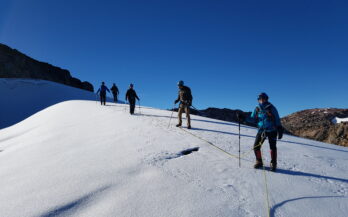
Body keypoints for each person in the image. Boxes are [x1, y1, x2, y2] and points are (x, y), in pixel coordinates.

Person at [249, 92, 283, 171]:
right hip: (261, 130)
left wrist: (279, 128)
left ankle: (273, 163)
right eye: (260, 99)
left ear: (266, 99)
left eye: (263, 98)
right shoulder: (257, 108)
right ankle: (259, 161)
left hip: (272, 130)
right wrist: (243, 118)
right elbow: (253, 118)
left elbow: (277, 119)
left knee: (272, 147)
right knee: (256, 146)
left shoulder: (271, 107)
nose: (261, 100)